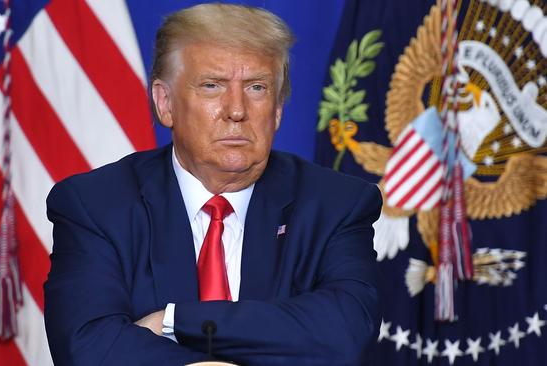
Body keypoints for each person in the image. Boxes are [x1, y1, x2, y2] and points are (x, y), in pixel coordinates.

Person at [44, 3, 382, 365]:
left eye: (256, 87)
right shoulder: (95, 205)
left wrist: (175, 321)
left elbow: (345, 333)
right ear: (165, 102)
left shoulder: (335, 205)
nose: (236, 110)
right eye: (211, 86)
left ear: (279, 108)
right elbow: (88, 348)